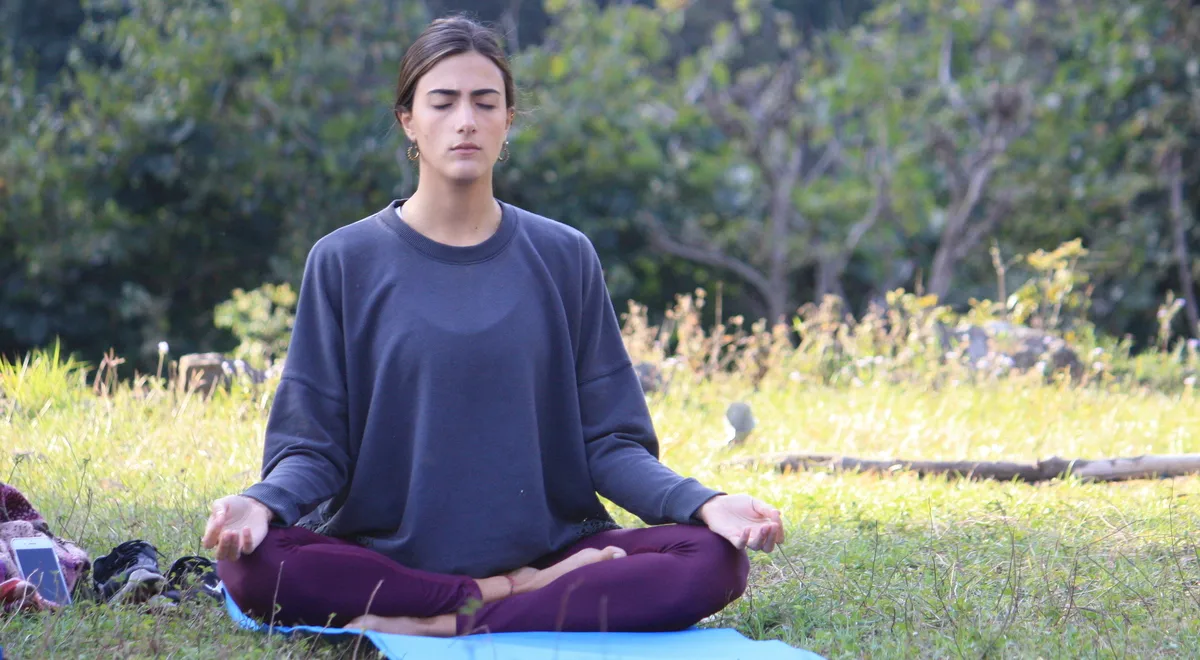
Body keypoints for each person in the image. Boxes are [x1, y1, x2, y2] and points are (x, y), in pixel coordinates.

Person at [203, 14, 786, 637]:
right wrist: (260, 503)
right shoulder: (344, 260)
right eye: (443, 101)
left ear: (508, 120)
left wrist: (706, 503)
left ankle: (438, 620)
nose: (465, 121)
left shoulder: (564, 255)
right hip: (385, 557)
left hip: (555, 554)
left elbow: (612, 445)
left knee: (712, 561)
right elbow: (313, 448)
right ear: (408, 119)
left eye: (486, 103)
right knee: (253, 566)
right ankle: (494, 600)